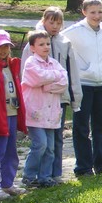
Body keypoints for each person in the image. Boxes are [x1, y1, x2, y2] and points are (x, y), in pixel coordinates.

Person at [62, 0, 102, 177]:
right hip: (83, 84)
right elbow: (57, 42)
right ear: (84, 12)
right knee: (81, 126)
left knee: (100, 126)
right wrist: (74, 69)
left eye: (100, 12)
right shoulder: (75, 31)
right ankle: (83, 167)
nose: (97, 16)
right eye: (92, 12)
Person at [21, 7, 82, 182]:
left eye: (59, 23)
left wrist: (72, 95)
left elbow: (67, 76)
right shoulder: (33, 44)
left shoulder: (64, 43)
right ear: (44, 21)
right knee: (41, 143)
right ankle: (31, 175)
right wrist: (51, 80)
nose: (55, 26)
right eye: (51, 22)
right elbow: (31, 76)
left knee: (55, 141)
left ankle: (51, 175)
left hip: (57, 101)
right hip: (36, 104)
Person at [20, 31, 68, 188]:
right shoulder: (30, 63)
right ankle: (28, 175)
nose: (46, 47)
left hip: (51, 113)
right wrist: (54, 77)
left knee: (50, 148)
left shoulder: (54, 63)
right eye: (41, 44)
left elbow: (64, 82)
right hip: (35, 112)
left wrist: (47, 85)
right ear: (32, 47)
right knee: (40, 144)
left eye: (47, 44)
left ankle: (44, 177)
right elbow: (37, 78)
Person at [0, 29, 27, 200]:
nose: (3, 50)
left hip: (12, 112)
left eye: (6, 46)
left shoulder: (11, 64)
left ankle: (8, 183)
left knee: (11, 151)